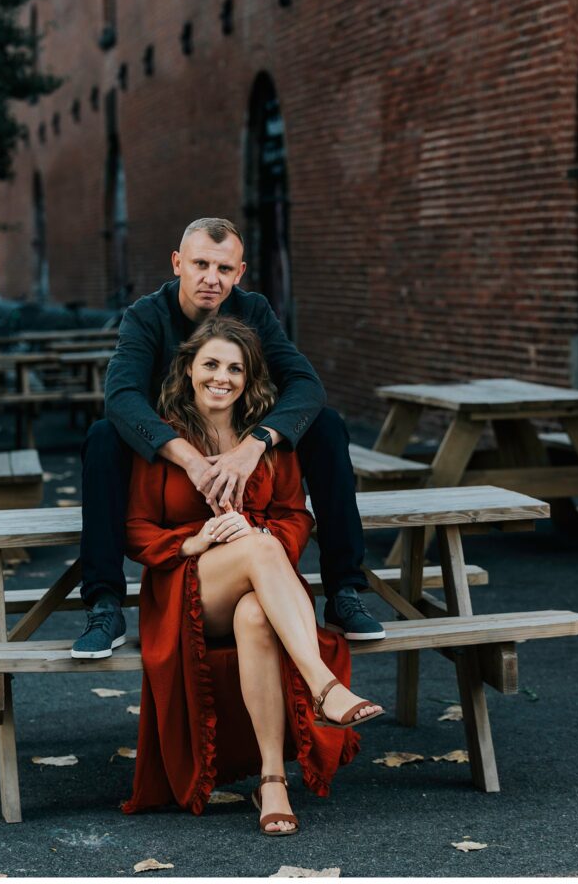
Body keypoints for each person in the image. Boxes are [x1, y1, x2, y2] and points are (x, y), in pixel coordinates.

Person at [72, 216, 385, 658]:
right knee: (103, 437)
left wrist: (253, 447)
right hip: (167, 455)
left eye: (223, 269)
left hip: (237, 441)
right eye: (200, 264)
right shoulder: (146, 315)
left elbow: (306, 384)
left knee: (328, 425)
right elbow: (121, 397)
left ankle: (344, 591)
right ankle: (104, 604)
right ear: (178, 263)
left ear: (239, 273)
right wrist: (191, 459)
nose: (210, 278)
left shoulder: (253, 310)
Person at [121, 316, 383, 833]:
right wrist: (194, 541)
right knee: (259, 547)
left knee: (257, 612)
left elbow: (295, 516)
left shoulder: (264, 441)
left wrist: (255, 534)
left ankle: (272, 782)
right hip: (187, 588)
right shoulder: (164, 438)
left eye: (235, 368)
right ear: (189, 370)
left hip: (261, 587)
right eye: (212, 364)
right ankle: (323, 686)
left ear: (250, 378)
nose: (223, 377)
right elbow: (135, 528)